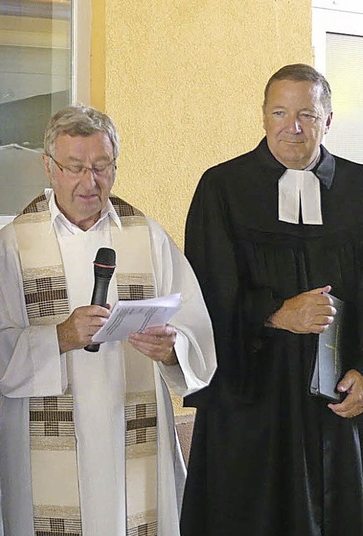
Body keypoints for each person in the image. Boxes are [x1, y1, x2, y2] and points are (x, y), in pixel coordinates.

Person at [0, 105, 217, 536]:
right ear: (48, 167)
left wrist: (172, 349)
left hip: (133, 427)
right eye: (76, 167)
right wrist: (59, 337)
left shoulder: (146, 236)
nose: (90, 181)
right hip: (43, 436)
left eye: (102, 167)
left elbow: (196, 325)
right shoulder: (12, 246)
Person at [181, 63, 363, 536]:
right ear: (263, 117)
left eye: (307, 113)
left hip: (343, 402)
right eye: (280, 112)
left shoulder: (360, 190)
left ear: (328, 119)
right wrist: (277, 313)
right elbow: (204, 296)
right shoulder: (223, 188)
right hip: (253, 397)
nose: (293, 127)